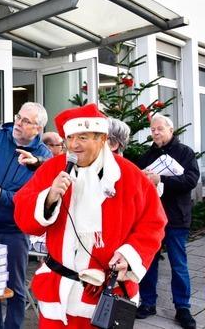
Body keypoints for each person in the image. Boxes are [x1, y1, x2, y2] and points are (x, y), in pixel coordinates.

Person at [13, 103, 167, 328]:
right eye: (70, 138)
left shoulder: (130, 176)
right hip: (59, 294)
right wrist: (49, 198)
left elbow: (154, 223)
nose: (74, 145)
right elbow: (23, 215)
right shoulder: (53, 169)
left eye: (83, 137)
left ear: (102, 139)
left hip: (107, 295)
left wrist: (130, 255)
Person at [0, 102, 51, 329]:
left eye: (26, 121)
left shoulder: (43, 158)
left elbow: (34, 197)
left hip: (14, 229)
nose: (18, 123)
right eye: (18, 117)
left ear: (38, 129)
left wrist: (3, 195)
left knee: (15, 285)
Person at [135, 114, 199, 329]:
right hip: (152, 220)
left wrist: (161, 179)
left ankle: (183, 307)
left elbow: (191, 180)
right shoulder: (147, 155)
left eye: (159, 129)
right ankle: (148, 303)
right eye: (152, 130)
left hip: (176, 218)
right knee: (149, 263)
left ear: (170, 130)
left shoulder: (185, 153)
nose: (155, 133)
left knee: (178, 264)